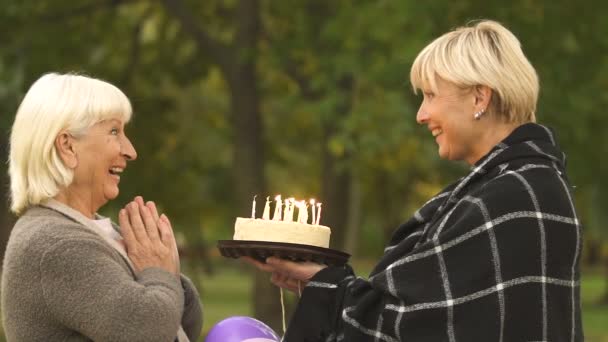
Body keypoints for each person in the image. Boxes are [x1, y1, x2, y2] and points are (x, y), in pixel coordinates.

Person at [243, 20, 583, 341]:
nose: (422, 115)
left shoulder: (513, 197)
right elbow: (429, 308)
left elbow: (418, 323)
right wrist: (323, 283)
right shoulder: (519, 184)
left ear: (480, 98)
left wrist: (330, 290)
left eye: (431, 95)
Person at [1, 73, 202, 342]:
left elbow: (182, 326)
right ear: (68, 146)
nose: (130, 151)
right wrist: (159, 272)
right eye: (114, 131)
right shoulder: (55, 245)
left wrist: (169, 277)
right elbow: (148, 333)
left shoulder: (84, 231)